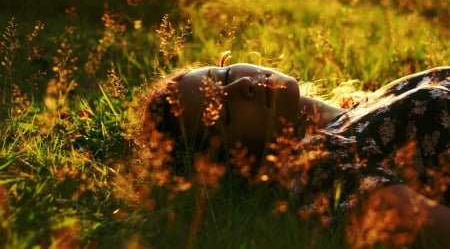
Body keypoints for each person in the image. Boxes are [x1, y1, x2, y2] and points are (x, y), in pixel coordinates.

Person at [143, 62, 450, 247]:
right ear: (230, 158)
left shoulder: (365, 105)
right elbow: (426, 224)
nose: (244, 85)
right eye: (224, 112)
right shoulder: (319, 165)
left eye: (223, 76)